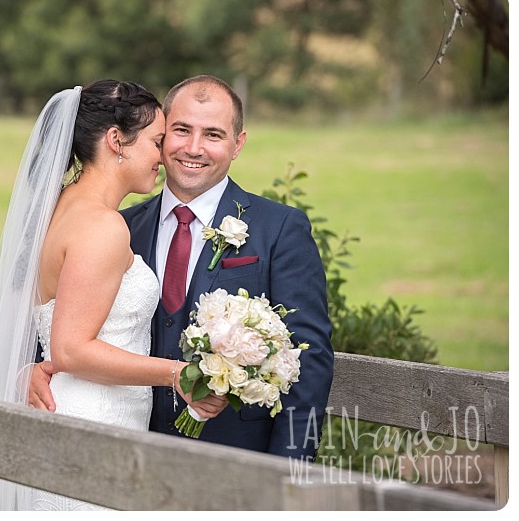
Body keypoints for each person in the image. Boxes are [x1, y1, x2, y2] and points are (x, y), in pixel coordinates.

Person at [0, 79, 225, 511]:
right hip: (94, 419)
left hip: (72, 409)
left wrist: (26, 370)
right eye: (156, 141)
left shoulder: (57, 208)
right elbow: (71, 349)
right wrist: (176, 374)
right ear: (116, 141)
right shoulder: (102, 227)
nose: (163, 158)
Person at [30, 75, 334, 459]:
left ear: (237, 144)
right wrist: (28, 369)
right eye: (178, 131)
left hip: (237, 460)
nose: (193, 148)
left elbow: (310, 359)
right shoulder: (120, 225)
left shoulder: (280, 229)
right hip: (127, 443)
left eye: (213, 134)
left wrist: (292, 470)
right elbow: (60, 315)